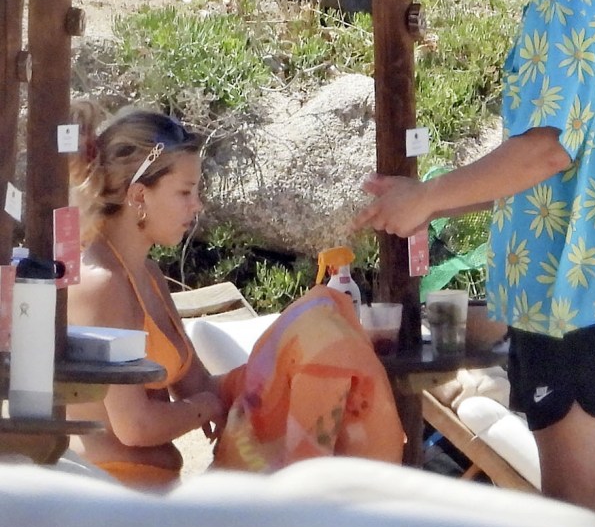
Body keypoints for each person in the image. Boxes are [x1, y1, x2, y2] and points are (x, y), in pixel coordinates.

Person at [353, 0, 595, 522]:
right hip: (571, 288)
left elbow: (545, 151)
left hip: (573, 288)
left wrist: (428, 196)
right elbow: (541, 169)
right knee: (586, 518)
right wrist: (426, 200)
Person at [68, 104, 403, 490]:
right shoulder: (102, 285)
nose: (196, 205)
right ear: (139, 195)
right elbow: (135, 426)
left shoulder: (148, 275)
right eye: (185, 192)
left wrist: (305, 353)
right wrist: (204, 408)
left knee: (319, 325)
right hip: (113, 496)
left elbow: (197, 385)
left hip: (154, 491)